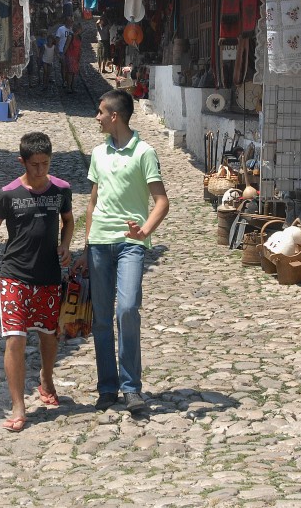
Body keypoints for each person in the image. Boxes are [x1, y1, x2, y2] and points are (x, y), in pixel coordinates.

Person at [79, 89, 169, 415]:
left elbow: (162, 202)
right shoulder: (98, 154)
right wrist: (87, 243)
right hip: (100, 243)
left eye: (100, 112)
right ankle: (108, 387)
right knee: (101, 318)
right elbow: (92, 202)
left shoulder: (145, 152)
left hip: (132, 243)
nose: (97, 117)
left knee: (127, 308)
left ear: (114, 115)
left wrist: (145, 231)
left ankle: (132, 387)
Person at [0, 131, 74, 433]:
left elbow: (68, 220)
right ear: (22, 162)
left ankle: (46, 377)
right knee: (15, 339)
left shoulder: (61, 190)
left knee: (49, 335)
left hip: (48, 276)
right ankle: (19, 407)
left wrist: (66, 244)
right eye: (34, 164)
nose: (40, 170)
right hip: (14, 276)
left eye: (45, 164)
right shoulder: (7, 195)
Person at [64, 22, 83, 94]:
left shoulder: (79, 37)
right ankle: (69, 87)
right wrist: (62, 55)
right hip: (70, 56)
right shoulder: (70, 36)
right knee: (70, 72)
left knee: (74, 72)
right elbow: (66, 46)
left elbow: (80, 47)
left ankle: (72, 87)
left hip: (76, 56)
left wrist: (80, 55)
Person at [55, 18, 72, 83]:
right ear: (66, 22)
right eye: (69, 21)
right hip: (62, 50)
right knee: (63, 66)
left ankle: (68, 80)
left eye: (71, 22)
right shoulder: (61, 29)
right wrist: (57, 50)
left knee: (69, 67)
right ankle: (64, 80)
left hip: (70, 51)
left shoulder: (72, 30)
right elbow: (57, 39)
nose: (70, 23)